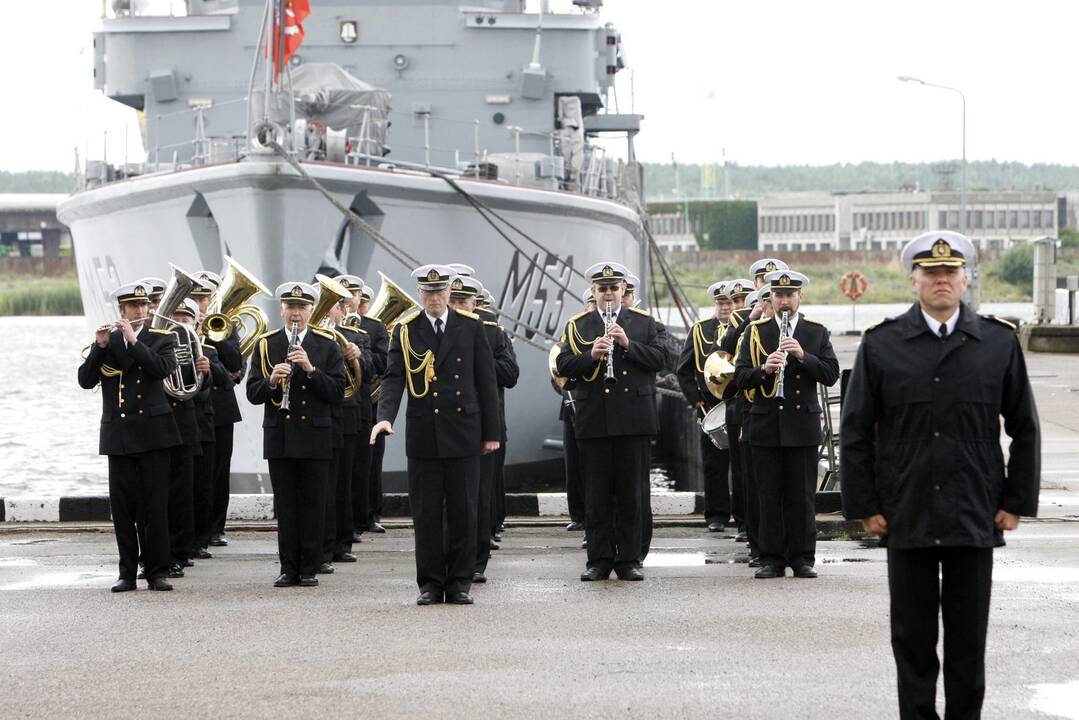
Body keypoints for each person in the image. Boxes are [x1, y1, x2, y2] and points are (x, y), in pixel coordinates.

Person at [840, 231, 1040, 719]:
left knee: (969, 640)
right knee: (911, 638)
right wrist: (865, 506)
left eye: (951, 272)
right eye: (931, 273)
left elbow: (1025, 427)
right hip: (905, 511)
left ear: (965, 278)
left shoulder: (997, 342)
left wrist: (1015, 503)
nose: (942, 280)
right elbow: (856, 431)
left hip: (975, 510)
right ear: (914, 280)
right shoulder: (883, 344)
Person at [370, 265, 501, 606]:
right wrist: (384, 417)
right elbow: (393, 378)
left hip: (464, 432)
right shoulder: (406, 329)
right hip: (424, 431)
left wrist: (492, 433)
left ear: (448, 293)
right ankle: (429, 584)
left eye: (440, 292)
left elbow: (486, 382)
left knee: (464, 510)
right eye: (428, 293)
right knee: (426, 514)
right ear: (420, 296)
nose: (435, 299)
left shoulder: (472, 327)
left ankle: (459, 583)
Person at [556, 261, 669, 582]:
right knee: (597, 493)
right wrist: (591, 355)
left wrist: (627, 344)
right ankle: (599, 559)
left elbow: (661, 359)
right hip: (595, 419)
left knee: (632, 492)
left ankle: (630, 558)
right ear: (594, 292)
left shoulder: (644, 324)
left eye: (613, 289)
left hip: (634, 419)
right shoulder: (579, 325)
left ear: (623, 291)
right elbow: (563, 365)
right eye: (602, 289)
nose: (608, 294)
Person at [733, 269, 839, 579]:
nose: (784, 300)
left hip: (802, 426)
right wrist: (764, 369)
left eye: (789, 295)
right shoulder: (755, 332)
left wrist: (804, 356)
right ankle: (771, 558)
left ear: (799, 297)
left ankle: (803, 557)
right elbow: (739, 378)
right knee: (768, 495)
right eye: (778, 295)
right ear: (771, 298)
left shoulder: (816, 332)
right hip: (765, 425)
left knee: (801, 495)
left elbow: (830, 373)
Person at [77, 281, 181, 592]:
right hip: (119, 436)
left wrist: (134, 341)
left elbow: (161, 369)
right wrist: (99, 347)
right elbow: (85, 381)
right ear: (121, 310)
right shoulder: (109, 342)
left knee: (155, 507)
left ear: (149, 308)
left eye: (143, 305)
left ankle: (157, 570)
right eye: (132, 307)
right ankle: (126, 571)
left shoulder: (163, 338)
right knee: (123, 510)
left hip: (154, 435)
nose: (139, 310)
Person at [247, 282, 346, 588]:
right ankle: (288, 567)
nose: (296, 313)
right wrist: (272, 382)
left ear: (310, 311)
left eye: (302, 308)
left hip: (315, 437)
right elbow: (252, 393)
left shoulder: (327, 344)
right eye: (290, 307)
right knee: (287, 506)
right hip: (281, 437)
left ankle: (310, 567)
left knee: (314, 504)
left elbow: (337, 392)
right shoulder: (266, 344)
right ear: (282, 310)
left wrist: (311, 369)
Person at [446, 274, 519, 584]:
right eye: (454, 301)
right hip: (448, 426)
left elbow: (511, 373)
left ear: (475, 304)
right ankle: (448, 558)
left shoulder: (493, 333)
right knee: (448, 498)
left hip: (484, 426)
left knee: (480, 496)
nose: (459, 306)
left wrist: (480, 360)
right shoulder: (434, 331)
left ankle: (476, 561)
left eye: (464, 301)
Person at [194, 269, 245, 549]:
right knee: (196, 471)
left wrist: (215, 334)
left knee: (218, 471)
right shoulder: (181, 325)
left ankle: (216, 527)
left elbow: (237, 364)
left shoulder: (226, 324)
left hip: (221, 408)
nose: (202, 303)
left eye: (206, 297)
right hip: (194, 407)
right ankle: (196, 529)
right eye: (197, 297)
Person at [677, 280, 733, 533]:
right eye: (721, 303)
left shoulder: (747, 328)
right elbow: (684, 369)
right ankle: (716, 516)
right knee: (714, 466)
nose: (725, 307)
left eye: (730, 302)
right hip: (709, 406)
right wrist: (695, 399)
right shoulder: (700, 331)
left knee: (745, 466)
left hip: (738, 402)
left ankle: (744, 518)